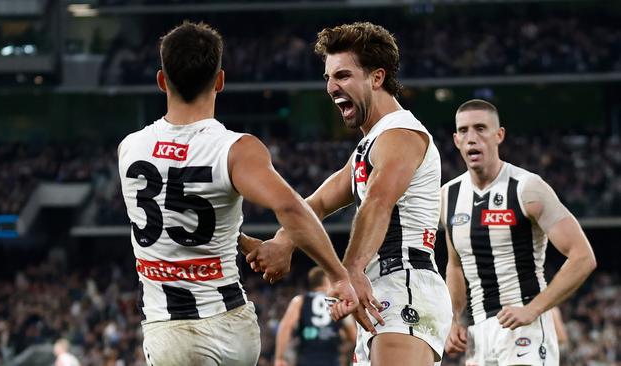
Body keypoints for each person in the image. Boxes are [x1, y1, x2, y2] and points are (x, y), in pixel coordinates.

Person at [118, 21, 358, 366]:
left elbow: (173, 218)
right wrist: (337, 274)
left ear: (161, 80)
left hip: (170, 331)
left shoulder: (130, 148)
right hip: (231, 325)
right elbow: (290, 207)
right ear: (220, 81)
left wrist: (240, 239)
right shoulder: (236, 149)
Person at [247, 22, 452, 366]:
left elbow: (378, 202)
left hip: (404, 284)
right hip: (380, 291)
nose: (331, 87)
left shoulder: (401, 134)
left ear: (376, 77)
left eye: (342, 75)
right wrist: (283, 240)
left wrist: (351, 270)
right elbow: (319, 202)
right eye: (328, 77)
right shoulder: (368, 145)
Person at [441, 99, 597, 365]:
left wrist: (533, 309)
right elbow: (455, 266)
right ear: (456, 140)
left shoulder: (527, 188)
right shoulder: (448, 196)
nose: (472, 138)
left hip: (526, 329)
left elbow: (583, 257)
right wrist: (454, 319)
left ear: (499, 135)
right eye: (464, 131)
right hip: (479, 333)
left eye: (480, 128)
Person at [274, 267, 357, 366]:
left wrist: (279, 357)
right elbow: (353, 336)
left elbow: (285, 326)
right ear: (327, 281)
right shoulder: (337, 302)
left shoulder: (299, 301)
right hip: (332, 361)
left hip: (306, 360)